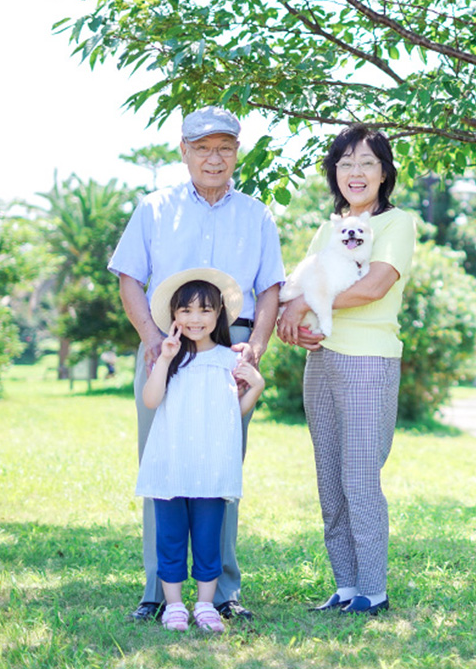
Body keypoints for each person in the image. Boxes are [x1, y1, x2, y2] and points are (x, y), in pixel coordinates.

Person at [109, 106, 285, 623]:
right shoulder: (154, 207)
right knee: (161, 468)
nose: (214, 158)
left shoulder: (257, 214)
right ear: (183, 151)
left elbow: (271, 289)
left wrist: (256, 345)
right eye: (203, 148)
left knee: (221, 469)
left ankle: (223, 592)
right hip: (167, 352)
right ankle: (157, 593)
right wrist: (150, 338)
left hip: (228, 355)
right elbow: (128, 278)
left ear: (237, 153)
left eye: (225, 148)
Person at [276, 125, 417, 616]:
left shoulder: (396, 224)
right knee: (330, 479)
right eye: (345, 163)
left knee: (359, 478)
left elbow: (373, 287)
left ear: (384, 172)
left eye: (367, 163)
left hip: (368, 361)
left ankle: (372, 591)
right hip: (322, 360)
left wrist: (304, 309)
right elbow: (301, 283)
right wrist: (288, 316)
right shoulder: (330, 226)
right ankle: (345, 585)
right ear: (335, 173)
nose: (355, 173)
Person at [136, 268, 266, 632]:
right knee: (171, 537)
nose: (195, 319)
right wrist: (163, 358)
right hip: (171, 464)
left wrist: (256, 386)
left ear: (219, 314)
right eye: (186, 311)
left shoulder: (229, 360)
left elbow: (231, 413)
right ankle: (174, 605)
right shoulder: (169, 358)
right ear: (174, 316)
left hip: (211, 466)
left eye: (205, 310)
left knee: (209, 538)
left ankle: (206, 604)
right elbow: (151, 400)